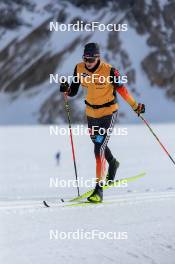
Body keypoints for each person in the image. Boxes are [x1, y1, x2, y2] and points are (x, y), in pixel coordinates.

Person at [60, 42, 145, 203]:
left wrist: (135, 106)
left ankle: (98, 191)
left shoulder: (110, 71)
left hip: (108, 112)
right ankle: (113, 163)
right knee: (98, 143)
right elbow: (74, 90)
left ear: (98, 58)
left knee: (98, 148)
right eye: (86, 59)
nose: (88, 63)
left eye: (91, 59)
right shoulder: (79, 68)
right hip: (91, 113)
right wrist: (66, 89)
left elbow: (122, 91)